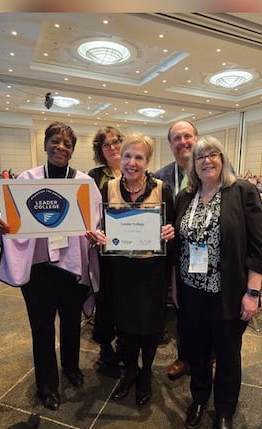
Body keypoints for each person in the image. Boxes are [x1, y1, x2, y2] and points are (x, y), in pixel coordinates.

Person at [0, 122, 102, 411]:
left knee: (72, 323)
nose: (61, 147)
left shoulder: (84, 183)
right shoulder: (27, 179)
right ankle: (47, 386)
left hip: (72, 266)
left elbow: (96, 219)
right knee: (41, 327)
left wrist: (95, 234)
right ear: (45, 144)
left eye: (67, 144)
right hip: (38, 268)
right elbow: (11, 220)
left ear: (73, 150)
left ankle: (72, 368)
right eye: (55, 141)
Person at [172, 135, 262, 429]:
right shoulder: (185, 197)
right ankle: (199, 399)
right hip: (190, 290)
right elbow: (178, 247)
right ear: (193, 165)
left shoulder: (242, 192)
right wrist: (175, 285)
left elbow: (257, 248)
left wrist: (252, 292)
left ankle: (225, 409)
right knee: (196, 350)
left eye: (213, 154)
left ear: (222, 159)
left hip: (228, 292)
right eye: (200, 157)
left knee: (227, 354)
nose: (206, 161)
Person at [85, 133, 175, 406]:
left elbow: (173, 229)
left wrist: (170, 232)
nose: (132, 162)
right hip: (120, 271)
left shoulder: (162, 189)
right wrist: (98, 235)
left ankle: (146, 372)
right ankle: (131, 370)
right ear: (120, 158)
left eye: (139, 157)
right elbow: (100, 227)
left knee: (149, 327)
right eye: (127, 156)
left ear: (147, 161)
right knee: (125, 326)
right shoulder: (108, 188)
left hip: (152, 272)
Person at [154, 120, 196, 381]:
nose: (183, 142)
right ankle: (184, 357)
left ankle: (211, 358)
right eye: (176, 138)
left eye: (187, 136)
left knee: (209, 312)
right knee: (183, 312)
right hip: (173, 256)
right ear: (170, 144)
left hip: (208, 256)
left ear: (196, 138)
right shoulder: (159, 177)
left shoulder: (215, 170)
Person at [87, 126, 125, 368]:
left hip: (130, 248)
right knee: (106, 297)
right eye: (106, 144)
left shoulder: (136, 170)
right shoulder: (94, 176)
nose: (112, 147)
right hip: (104, 247)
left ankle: (125, 341)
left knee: (126, 298)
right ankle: (105, 347)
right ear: (100, 150)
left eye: (115, 142)